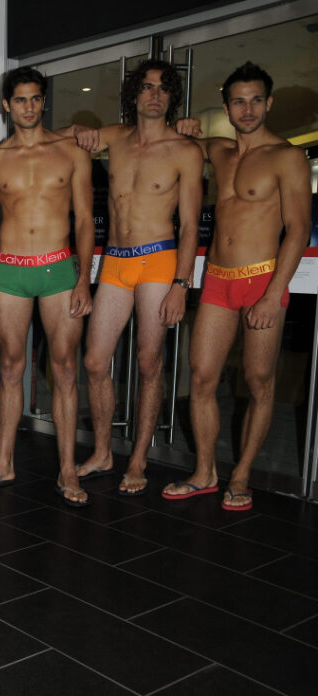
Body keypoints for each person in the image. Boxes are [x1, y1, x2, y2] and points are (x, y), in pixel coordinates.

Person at [162, 62, 310, 511]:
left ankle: (242, 475)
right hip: (217, 280)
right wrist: (184, 127)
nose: (248, 109)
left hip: (262, 279)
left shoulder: (287, 157)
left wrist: (273, 294)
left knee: (259, 381)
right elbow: (179, 141)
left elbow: (299, 229)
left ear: (269, 103)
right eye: (239, 101)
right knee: (201, 377)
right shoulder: (219, 150)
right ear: (226, 107)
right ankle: (205, 472)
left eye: (256, 100)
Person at [65, 60, 203, 496]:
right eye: (146, 87)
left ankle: (140, 458)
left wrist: (181, 284)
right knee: (94, 361)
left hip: (159, 261)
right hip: (116, 262)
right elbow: (59, 138)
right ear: (134, 95)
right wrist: (77, 130)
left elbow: (190, 226)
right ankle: (104, 451)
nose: (154, 94)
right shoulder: (116, 138)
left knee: (148, 362)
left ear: (171, 96)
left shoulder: (185, 150)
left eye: (162, 88)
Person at [0, 67, 94, 506]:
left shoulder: (71, 152)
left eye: (35, 98)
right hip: (10, 272)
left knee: (65, 369)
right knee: (9, 368)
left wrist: (84, 279)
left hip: (59, 270)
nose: (28, 107)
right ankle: (3, 462)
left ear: (44, 101)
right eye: (20, 99)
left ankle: (68, 468)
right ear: (6, 105)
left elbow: (85, 219)